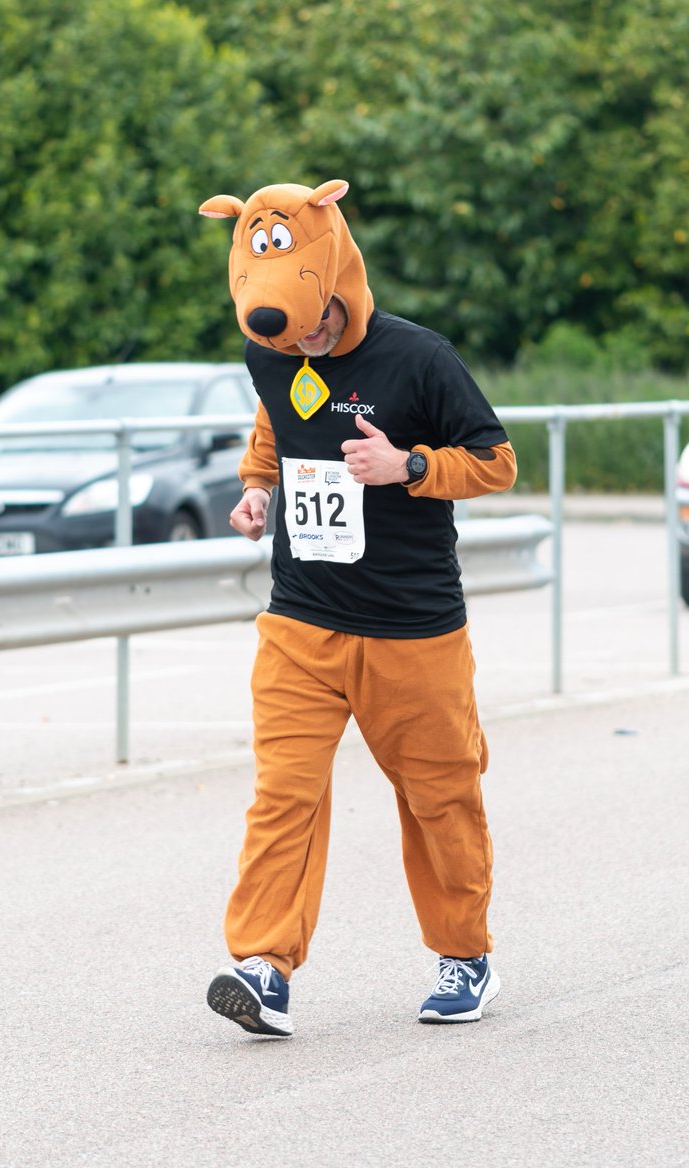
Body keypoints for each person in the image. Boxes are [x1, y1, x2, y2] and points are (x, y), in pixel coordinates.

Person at [198, 179, 517, 1035]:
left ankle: (465, 955)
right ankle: (263, 967)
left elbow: (496, 463)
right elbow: (273, 424)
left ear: (330, 278)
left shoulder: (419, 358)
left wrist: (409, 468)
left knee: (439, 797)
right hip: (301, 618)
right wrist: (256, 489)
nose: (295, 339)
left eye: (307, 320)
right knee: (283, 796)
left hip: (413, 629)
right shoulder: (270, 353)